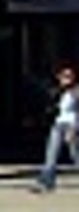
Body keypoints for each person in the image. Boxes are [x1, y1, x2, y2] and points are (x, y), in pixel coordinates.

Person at [40, 64, 78, 192]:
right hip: (58, 124)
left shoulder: (76, 92)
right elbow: (52, 107)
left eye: (68, 76)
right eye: (63, 76)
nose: (65, 79)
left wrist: (74, 129)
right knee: (51, 152)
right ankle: (47, 181)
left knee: (75, 154)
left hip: (72, 125)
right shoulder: (57, 91)